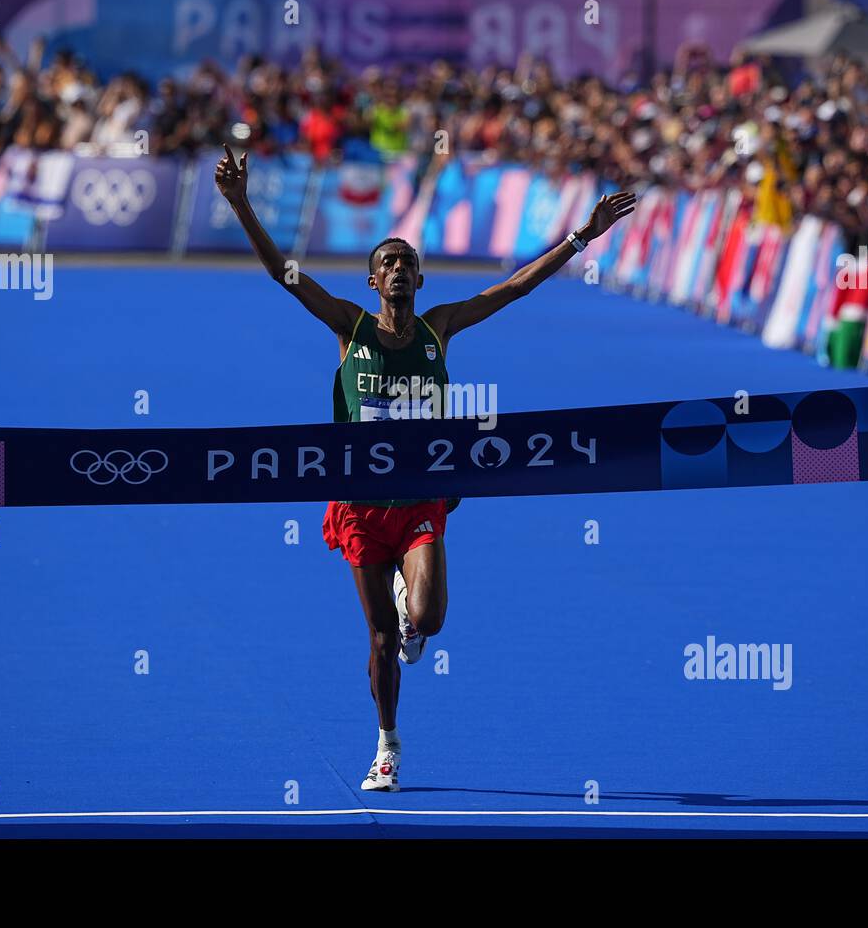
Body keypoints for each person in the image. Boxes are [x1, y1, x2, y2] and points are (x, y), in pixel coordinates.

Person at [214, 144, 635, 790]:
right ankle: (386, 744)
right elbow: (285, 276)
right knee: (382, 640)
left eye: (409, 263)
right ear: (373, 283)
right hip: (358, 504)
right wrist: (241, 204)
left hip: (420, 500)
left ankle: (415, 610)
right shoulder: (350, 328)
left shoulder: (438, 330)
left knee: (428, 620)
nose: (400, 270)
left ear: (420, 280)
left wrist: (583, 236)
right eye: (389, 263)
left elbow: (514, 287)